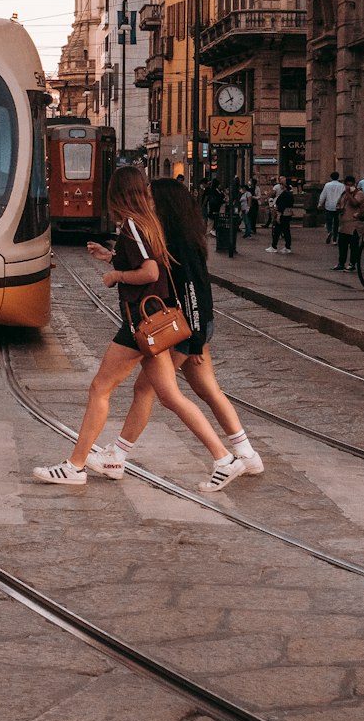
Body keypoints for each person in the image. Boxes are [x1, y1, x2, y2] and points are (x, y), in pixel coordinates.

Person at [32, 167, 259, 490]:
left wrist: (117, 276)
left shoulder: (134, 226)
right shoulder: (148, 224)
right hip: (153, 321)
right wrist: (112, 258)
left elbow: (150, 272)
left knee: (100, 388)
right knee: (168, 396)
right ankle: (224, 459)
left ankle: (75, 465)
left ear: (117, 194)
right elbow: (151, 264)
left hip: (141, 323)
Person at [333, 175, 364, 271]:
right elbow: (339, 203)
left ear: (354, 184)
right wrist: (339, 207)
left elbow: (355, 203)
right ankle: (341, 263)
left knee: (354, 245)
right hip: (343, 225)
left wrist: (349, 193)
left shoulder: (359, 193)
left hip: (354, 225)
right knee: (342, 245)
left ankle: (352, 263)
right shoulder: (344, 194)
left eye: (349, 185)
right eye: (346, 184)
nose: (347, 186)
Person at [266, 176, 294, 254]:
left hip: (282, 214)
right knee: (285, 231)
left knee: (278, 231)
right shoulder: (290, 194)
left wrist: (278, 215)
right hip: (287, 214)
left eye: (282, 184)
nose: (280, 185)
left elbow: (281, 205)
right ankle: (287, 247)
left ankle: (274, 246)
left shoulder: (284, 194)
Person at [317, 171, 345, 244]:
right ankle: (335, 239)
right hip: (338, 206)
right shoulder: (342, 186)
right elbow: (344, 196)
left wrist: (320, 204)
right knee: (336, 222)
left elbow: (323, 195)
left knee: (328, 220)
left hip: (329, 205)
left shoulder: (327, 185)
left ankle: (329, 231)